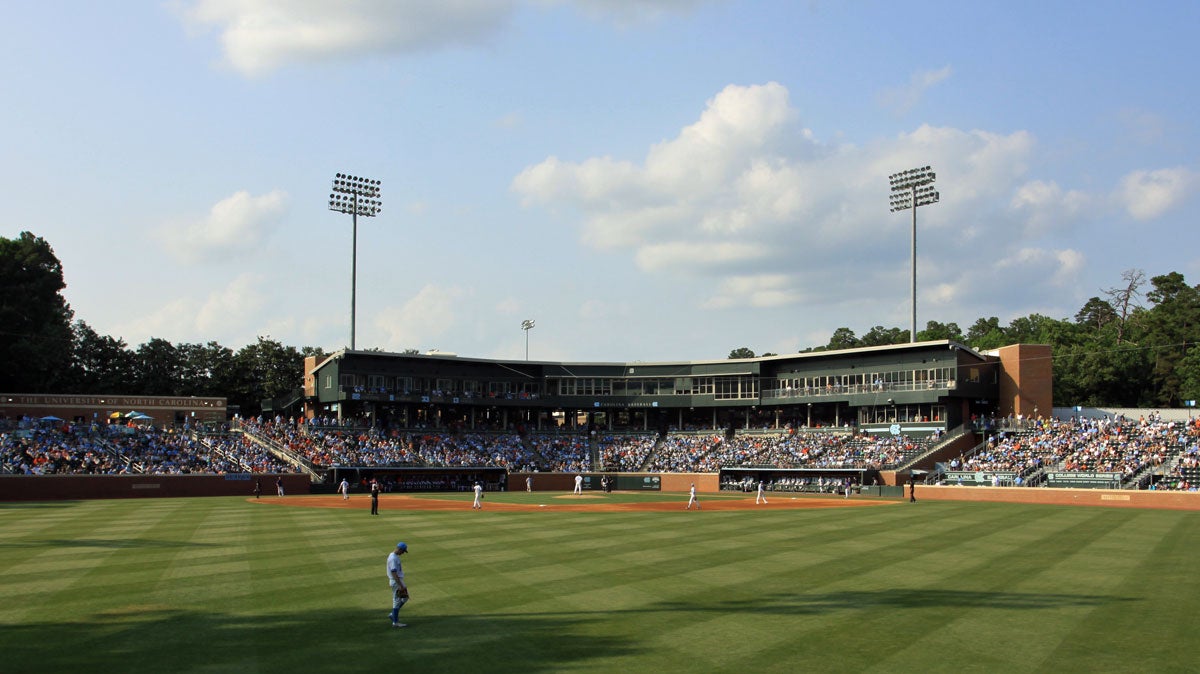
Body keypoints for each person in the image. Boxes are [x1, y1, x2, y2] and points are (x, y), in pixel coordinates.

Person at [387, 542, 409, 628]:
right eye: (403, 551)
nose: (403, 553)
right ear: (399, 549)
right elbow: (394, 572)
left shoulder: (394, 556)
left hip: (398, 580)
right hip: (396, 581)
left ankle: (393, 614)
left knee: (405, 597)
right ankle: (395, 622)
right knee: (396, 601)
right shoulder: (393, 558)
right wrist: (400, 585)